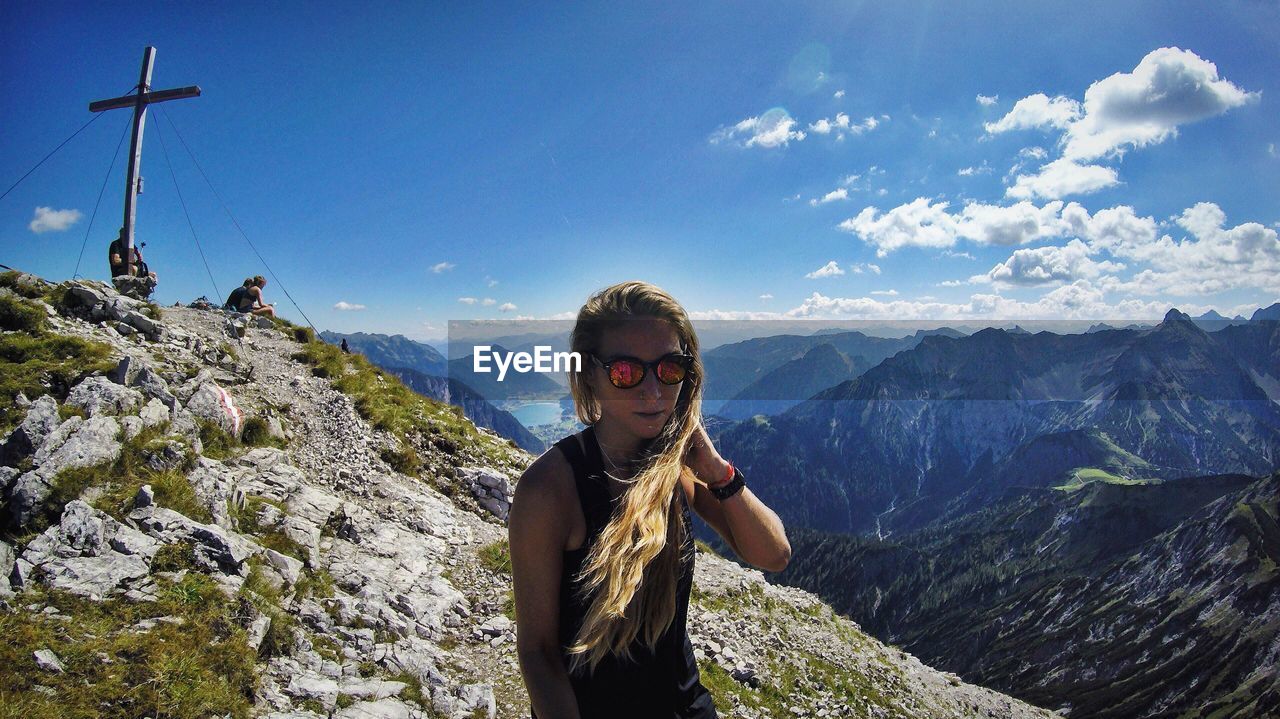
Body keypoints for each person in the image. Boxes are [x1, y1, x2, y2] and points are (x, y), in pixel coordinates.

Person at [510, 281, 791, 719]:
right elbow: (538, 651)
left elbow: (773, 554)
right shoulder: (548, 489)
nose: (653, 392)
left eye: (670, 369)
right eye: (625, 372)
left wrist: (717, 470)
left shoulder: (677, 469)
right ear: (589, 375)